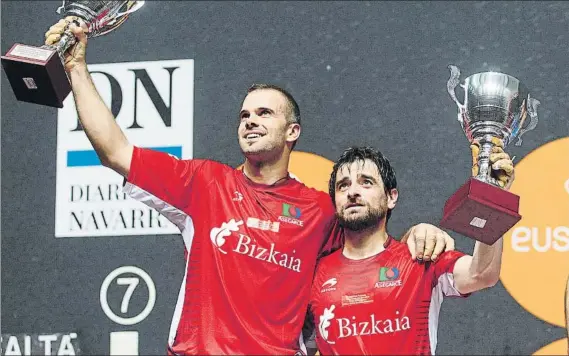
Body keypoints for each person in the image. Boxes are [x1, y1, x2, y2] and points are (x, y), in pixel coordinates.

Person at [44, 18, 456, 355]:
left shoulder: (320, 210)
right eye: (244, 115)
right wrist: (77, 66)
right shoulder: (204, 183)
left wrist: (424, 231)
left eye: (264, 113)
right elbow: (115, 150)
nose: (250, 121)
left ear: (292, 131)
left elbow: (371, 244)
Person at [307, 143, 514, 355]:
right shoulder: (314, 273)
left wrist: (492, 196)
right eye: (343, 186)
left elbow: (482, 273)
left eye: (366, 183)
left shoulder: (421, 256)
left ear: (391, 197)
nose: (352, 192)